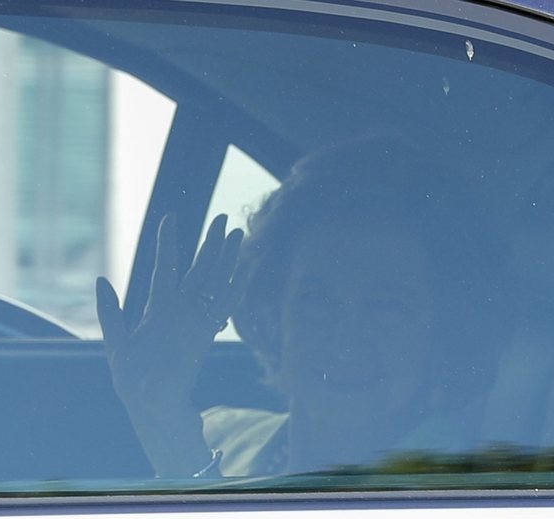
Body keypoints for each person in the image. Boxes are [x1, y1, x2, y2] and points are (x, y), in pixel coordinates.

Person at [97, 140, 498, 478]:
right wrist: (159, 407)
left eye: (388, 307)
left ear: (443, 330)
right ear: (274, 313)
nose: (346, 339)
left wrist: (174, 443)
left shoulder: (463, 488)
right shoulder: (219, 432)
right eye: (316, 299)